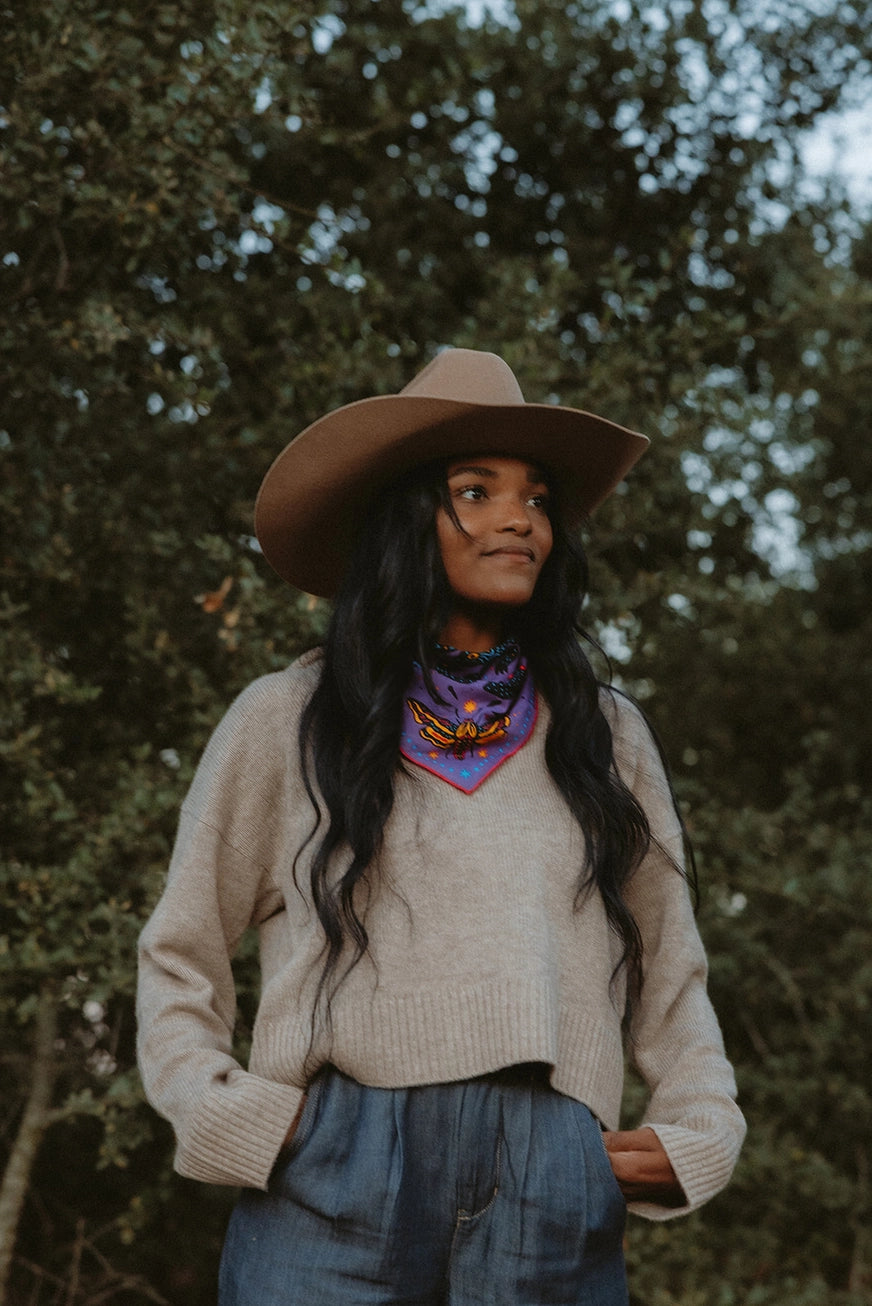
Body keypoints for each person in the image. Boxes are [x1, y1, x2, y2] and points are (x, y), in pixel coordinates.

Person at [136, 348, 745, 1305]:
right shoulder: (287, 717)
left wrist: (699, 1132)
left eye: (537, 498)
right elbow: (180, 954)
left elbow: (671, 967)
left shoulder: (605, 733)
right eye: (476, 489)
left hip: (551, 1176)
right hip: (331, 1169)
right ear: (405, 518)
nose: (520, 521)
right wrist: (235, 1118)